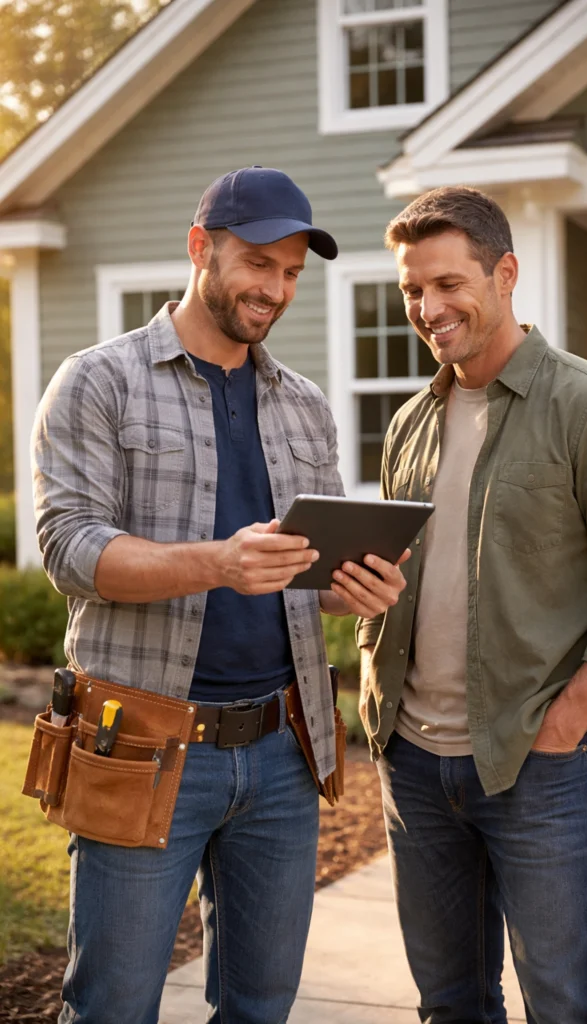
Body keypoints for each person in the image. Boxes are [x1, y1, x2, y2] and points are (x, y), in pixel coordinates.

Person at [32, 166, 407, 1024]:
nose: (274, 289)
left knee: (260, 1005)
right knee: (113, 1006)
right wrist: (215, 563)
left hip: (281, 751)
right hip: (141, 741)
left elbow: (310, 576)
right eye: (258, 263)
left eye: (291, 273)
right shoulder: (100, 381)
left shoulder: (303, 405)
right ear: (201, 249)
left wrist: (359, 587)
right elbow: (69, 548)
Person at [354, 185, 587, 1024]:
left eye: (448, 284)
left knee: (566, 1004)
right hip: (416, 768)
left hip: (543, 769)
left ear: (504, 273)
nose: (428, 308)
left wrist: (567, 723)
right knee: (449, 1004)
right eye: (412, 290)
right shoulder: (409, 426)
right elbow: (403, 582)